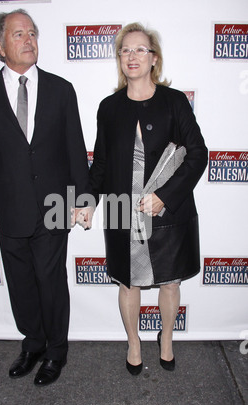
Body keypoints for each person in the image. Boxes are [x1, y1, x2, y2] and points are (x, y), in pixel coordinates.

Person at [0, 9, 90, 386]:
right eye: (18, 35)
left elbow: (75, 150)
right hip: (11, 206)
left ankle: (56, 351)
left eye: (32, 33)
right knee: (20, 281)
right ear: (0, 46)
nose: (28, 40)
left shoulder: (61, 89)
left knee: (51, 282)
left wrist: (81, 199)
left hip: (54, 207)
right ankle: (33, 343)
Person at [89, 23, 208, 373]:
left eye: (140, 49)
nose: (132, 56)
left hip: (168, 212)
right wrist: (86, 200)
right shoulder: (108, 107)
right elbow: (101, 164)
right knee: (128, 281)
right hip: (124, 212)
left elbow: (198, 153)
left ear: (153, 58)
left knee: (170, 282)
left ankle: (166, 338)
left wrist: (165, 197)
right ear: (119, 59)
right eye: (126, 50)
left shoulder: (174, 102)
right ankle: (134, 342)